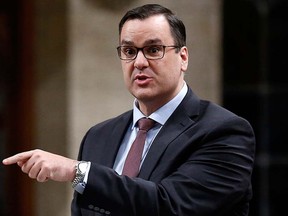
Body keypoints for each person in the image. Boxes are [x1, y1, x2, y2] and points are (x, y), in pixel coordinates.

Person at [2, 4, 256, 216]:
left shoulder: (224, 132)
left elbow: (169, 205)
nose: (140, 62)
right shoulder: (98, 136)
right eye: (129, 51)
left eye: (154, 50)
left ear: (183, 57)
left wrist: (76, 171)